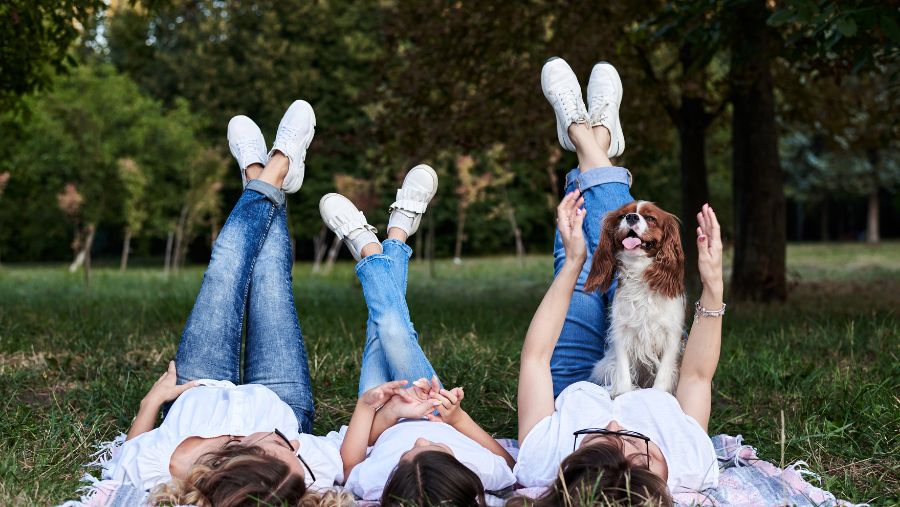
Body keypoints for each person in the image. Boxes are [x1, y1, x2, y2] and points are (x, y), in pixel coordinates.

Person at [102, 101, 351, 506]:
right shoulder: (305, 469)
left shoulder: (164, 468)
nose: (286, 442)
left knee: (225, 266)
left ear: (230, 459)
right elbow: (353, 455)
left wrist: (155, 400)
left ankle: (267, 171)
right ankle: (272, 171)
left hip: (193, 389)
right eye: (290, 451)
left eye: (275, 446)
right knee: (270, 273)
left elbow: (123, 462)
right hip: (282, 397)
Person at [512, 58, 724, 505]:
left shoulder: (540, 461)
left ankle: (589, 136)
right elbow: (699, 377)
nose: (614, 427)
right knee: (604, 234)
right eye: (638, 451)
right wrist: (712, 285)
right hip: (641, 361)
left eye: (595, 445)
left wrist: (573, 267)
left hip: (570, 382)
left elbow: (534, 358)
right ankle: (589, 137)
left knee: (582, 239)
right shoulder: (689, 463)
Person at [318, 167, 517, 506]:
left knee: (381, 327)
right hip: (427, 401)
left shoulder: (382, 482)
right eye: (436, 448)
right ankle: (372, 246)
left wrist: (378, 410)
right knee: (393, 330)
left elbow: (350, 467)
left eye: (409, 454)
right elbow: (510, 463)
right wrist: (452, 418)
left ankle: (390, 238)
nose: (420, 442)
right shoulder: (485, 472)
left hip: (380, 406)